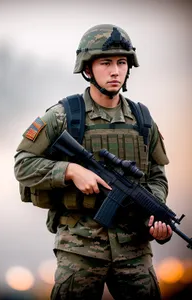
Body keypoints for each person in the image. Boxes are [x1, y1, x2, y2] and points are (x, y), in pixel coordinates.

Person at [14, 24, 173, 300]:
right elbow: (23, 164)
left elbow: (157, 175)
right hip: (79, 250)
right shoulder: (64, 116)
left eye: (122, 62)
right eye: (106, 62)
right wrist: (70, 171)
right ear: (87, 69)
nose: (115, 71)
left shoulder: (143, 120)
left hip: (134, 252)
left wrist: (154, 212)